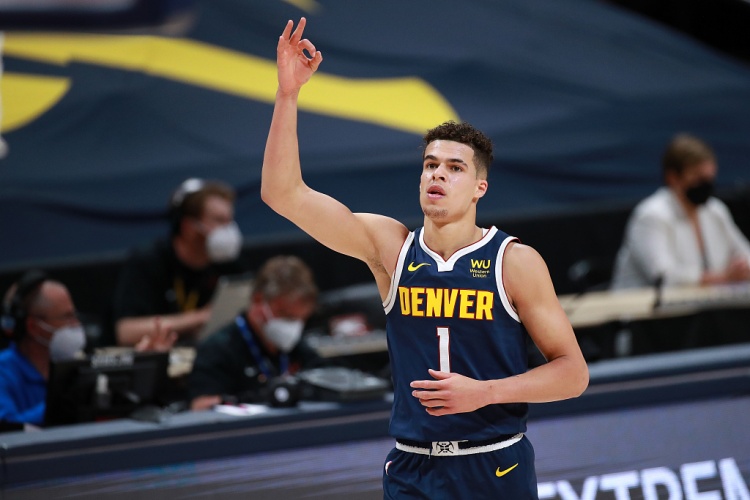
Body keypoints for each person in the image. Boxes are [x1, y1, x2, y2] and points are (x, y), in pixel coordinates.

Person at [260, 18, 589, 499]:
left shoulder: (513, 261)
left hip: (494, 463)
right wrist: (288, 94)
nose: (437, 175)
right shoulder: (390, 247)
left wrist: (486, 392)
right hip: (412, 467)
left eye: (454, 168)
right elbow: (282, 194)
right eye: (430, 165)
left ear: (479, 188)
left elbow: (573, 374)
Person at [1, 270, 175, 429]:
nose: (76, 325)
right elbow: (7, 429)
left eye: (74, 315)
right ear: (34, 327)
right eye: (67, 317)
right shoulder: (4, 372)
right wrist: (62, 400)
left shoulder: (80, 365)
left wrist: (145, 365)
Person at [113, 177, 251, 347]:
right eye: (219, 220)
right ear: (188, 226)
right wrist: (202, 317)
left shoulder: (230, 263)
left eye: (230, 220)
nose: (228, 230)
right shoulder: (148, 261)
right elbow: (126, 332)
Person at [611, 133, 750, 290]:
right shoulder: (651, 215)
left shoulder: (715, 210)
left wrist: (743, 267)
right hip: (641, 304)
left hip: (706, 302)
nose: (705, 185)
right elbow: (663, 276)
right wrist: (724, 277)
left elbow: (745, 253)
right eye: (698, 179)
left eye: (709, 178)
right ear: (673, 177)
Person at [188, 255, 322, 410]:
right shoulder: (218, 349)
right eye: (286, 316)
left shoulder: (297, 348)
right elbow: (200, 406)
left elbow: (327, 375)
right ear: (258, 300)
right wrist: (258, 397)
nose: (293, 327)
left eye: (301, 319)